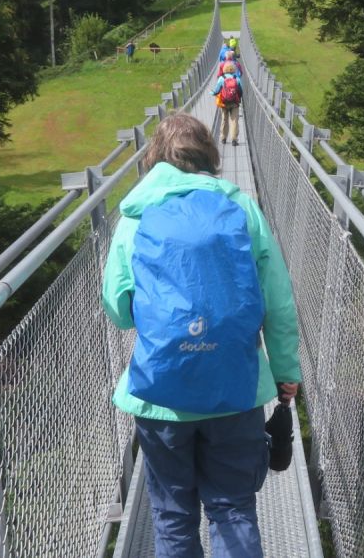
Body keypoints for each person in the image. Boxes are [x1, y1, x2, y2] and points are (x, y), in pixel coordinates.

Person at [101, 114, 302, 558]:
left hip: (161, 393)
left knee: (172, 516)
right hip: (237, 386)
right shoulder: (243, 207)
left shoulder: (136, 213)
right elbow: (278, 301)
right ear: (210, 155)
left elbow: (117, 309)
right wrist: (286, 370)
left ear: (155, 157)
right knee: (232, 508)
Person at [211, 64, 242, 145]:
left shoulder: (222, 78)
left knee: (224, 119)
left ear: (224, 69)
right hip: (234, 103)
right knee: (234, 120)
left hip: (224, 102)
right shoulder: (237, 78)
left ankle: (223, 138)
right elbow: (240, 91)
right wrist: (238, 99)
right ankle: (234, 139)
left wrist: (212, 93)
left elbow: (217, 90)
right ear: (233, 70)